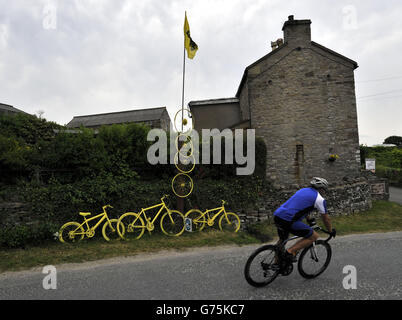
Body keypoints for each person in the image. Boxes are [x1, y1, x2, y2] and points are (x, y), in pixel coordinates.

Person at [273, 177, 336, 262]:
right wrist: (330, 230)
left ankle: (276, 263)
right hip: (289, 220)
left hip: (278, 216)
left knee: (283, 240)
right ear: (321, 189)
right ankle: (290, 252)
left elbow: (301, 206)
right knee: (314, 236)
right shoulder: (319, 199)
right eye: (325, 190)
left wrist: (309, 220)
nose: (325, 192)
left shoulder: (303, 190)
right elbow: (326, 218)